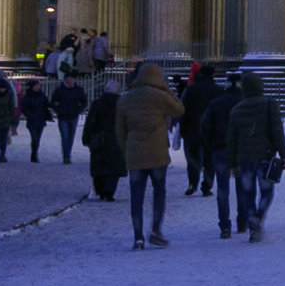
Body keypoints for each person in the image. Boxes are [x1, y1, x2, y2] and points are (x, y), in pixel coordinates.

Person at [114, 61, 184, 249]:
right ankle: (156, 229)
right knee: (159, 191)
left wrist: (126, 150)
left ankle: (138, 236)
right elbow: (179, 109)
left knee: (136, 196)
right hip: (157, 153)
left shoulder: (126, 99)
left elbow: (120, 131)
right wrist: (167, 89)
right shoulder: (160, 96)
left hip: (135, 155)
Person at [228, 73, 285, 242]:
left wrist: (232, 163)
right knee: (267, 192)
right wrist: (284, 153)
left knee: (247, 194)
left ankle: (253, 224)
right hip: (265, 156)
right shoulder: (270, 104)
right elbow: (277, 131)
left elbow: (232, 139)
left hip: (244, 158)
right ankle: (259, 218)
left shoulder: (237, 110)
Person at [198, 69, 244, 236]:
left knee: (223, 189)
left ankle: (225, 225)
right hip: (241, 150)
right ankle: (242, 221)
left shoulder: (217, 102)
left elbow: (204, 125)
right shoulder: (244, 101)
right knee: (242, 187)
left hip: (220, 148)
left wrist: (211, 144)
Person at [178, 63, 222, 196]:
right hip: (211, 131)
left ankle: (192, 184)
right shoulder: (218, 90)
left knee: (193, 159)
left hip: (193, 129)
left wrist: (183, 129)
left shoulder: (191, 90)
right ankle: (207, 186)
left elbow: (183, 111)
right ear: (213, 75)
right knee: (210, 160)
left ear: (200, 74)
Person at [84, 78, 125, 200]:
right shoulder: (122, 103)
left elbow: (90, 122)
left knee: (99, 166)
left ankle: (100, 190)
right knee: (114, 167)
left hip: (99, 137)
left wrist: (86, 137)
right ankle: (110, 191)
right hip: (117, 138)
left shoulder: (97, 103)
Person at [51, 71, 88, 164]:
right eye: (68, 79)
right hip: (63, 116)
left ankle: (68, 153)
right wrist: (59, 110)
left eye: (71, 79)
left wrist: (78, 110)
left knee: (71, 137)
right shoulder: (59, 90)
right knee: (65, 136)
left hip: (74, 116)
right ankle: (66, 156)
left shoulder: (79, 90)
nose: (69, 81)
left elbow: (84, 101)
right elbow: (53, 102)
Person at [19, 79, 52, 162]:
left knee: (37, 138)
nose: (38, 87)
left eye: (39, 86)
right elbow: (24, 108)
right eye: (36, 86)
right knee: (34, 138)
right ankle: (34, 154)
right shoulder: (28, 96)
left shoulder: (42, 95)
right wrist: (30, 115)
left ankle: (34, 153)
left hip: (41, 119)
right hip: (32, 120)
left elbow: (47, 104)